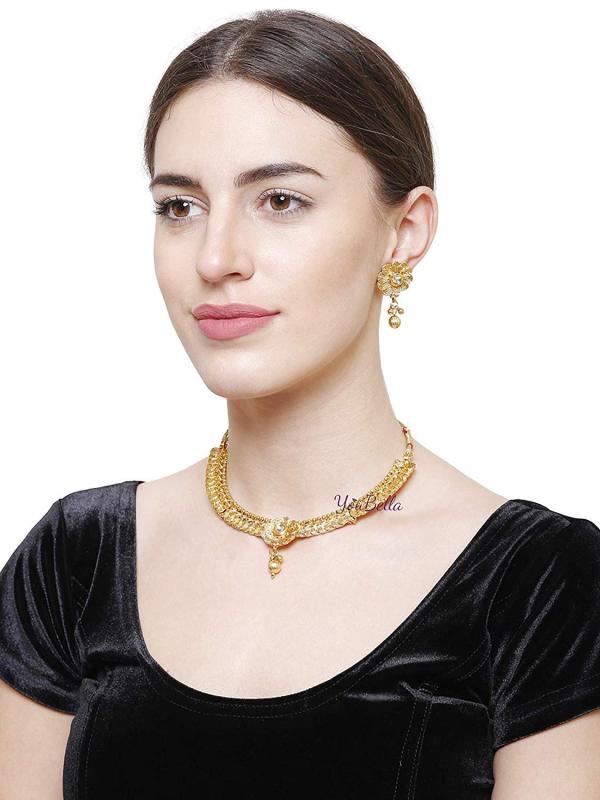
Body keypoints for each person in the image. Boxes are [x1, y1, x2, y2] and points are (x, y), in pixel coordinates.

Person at [1, 9, 599, 799]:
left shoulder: (538, 582)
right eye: (180, 206)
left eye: (280, 200)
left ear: (405, 231)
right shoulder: (75, 558)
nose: (216, 258)